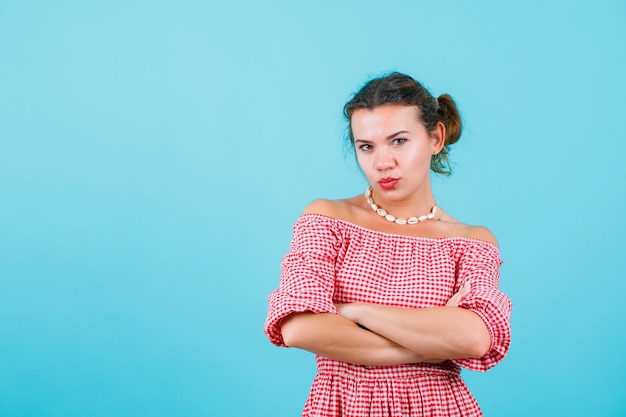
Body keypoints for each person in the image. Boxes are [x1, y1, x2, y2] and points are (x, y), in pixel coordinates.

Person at [264, 72, 512, 417]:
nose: (382, 162)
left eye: (398, 141)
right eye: (366, 146)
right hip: (342, 405)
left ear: (435, 137)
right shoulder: (327, 218)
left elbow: (474, 338)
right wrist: (430, 347)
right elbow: (298, 327)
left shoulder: (470, 241)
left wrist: (352, 310)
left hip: (439, 408)